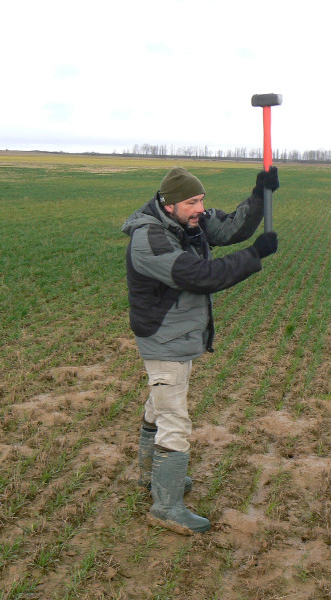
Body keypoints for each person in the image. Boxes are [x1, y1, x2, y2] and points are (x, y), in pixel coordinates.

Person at [121, 166, 279, 534]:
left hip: (179, 336)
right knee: (174, 420)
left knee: (157, 405)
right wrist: (253, 255)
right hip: (164, 339)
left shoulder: (188, 222)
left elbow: (229, 229)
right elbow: (201, 276)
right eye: (192, 202)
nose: (200, 209)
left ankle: (153, 478)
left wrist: (259, 194)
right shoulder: (150, 240)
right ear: (168, 204)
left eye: (202, 200)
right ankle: (167, 506)